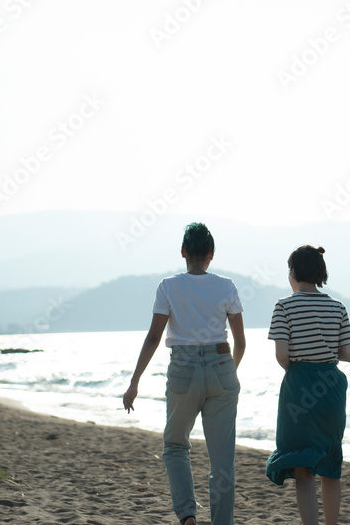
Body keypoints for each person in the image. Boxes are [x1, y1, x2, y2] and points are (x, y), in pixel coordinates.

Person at [123, 222, 246, 525]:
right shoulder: (227, 286)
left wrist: (134, 382)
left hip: (183, 369)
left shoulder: (168, 286)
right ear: (212, 253)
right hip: (222, 366)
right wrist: (227, 373)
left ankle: (188, 516)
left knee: (176, 446)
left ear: (183, 251)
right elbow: (241, 342)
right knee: (222, 461)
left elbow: (154, 337)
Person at [266, 245, 350, 525]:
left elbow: (282, 355)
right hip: (331, 386)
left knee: (302, 467)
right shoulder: (337, 306)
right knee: (330, 464)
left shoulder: (284, 306)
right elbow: (349, 354)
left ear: (293, 272)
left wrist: (300, 366)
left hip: (298, 385)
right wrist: (324, 352)